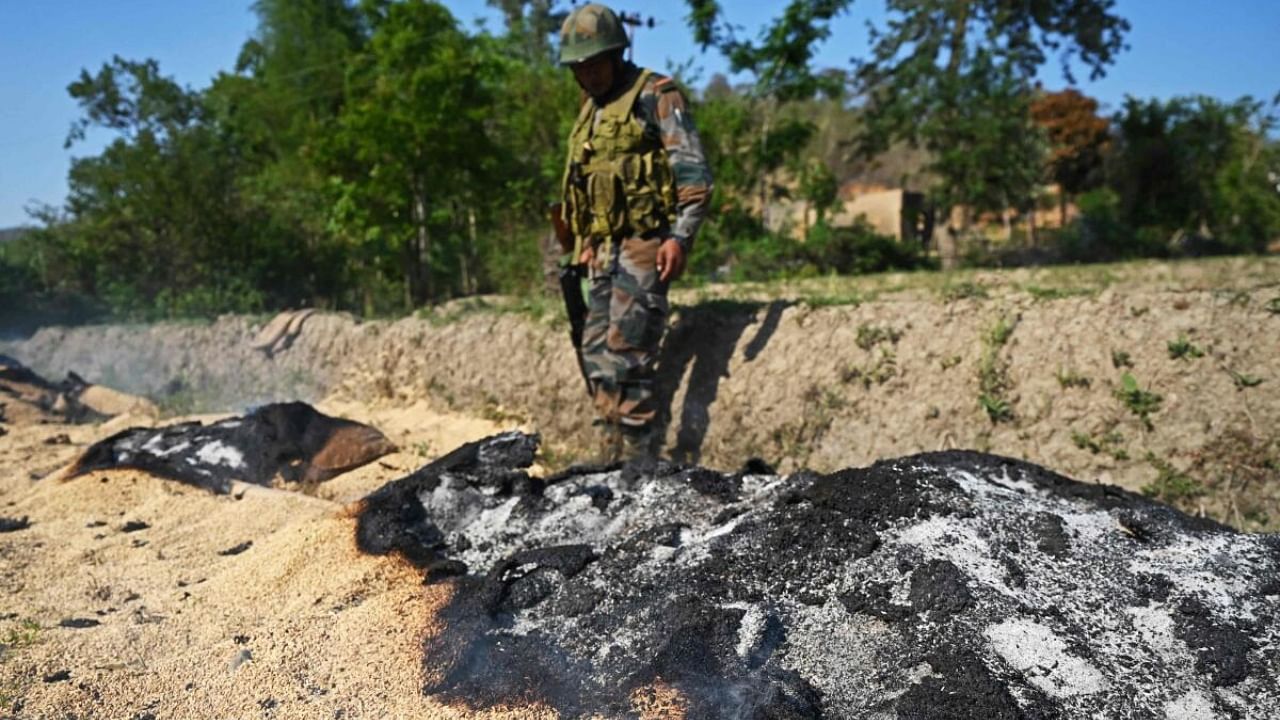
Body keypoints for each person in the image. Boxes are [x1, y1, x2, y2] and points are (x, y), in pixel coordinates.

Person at [558, 2, 713, 462]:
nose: (587, 74)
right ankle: (609, 455)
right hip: (603, 247)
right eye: (579, 67)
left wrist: (680, 237)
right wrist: (585, 243)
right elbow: (586, 180)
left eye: (594, 63)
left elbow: (694, 174)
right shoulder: (592, 109)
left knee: (629, 351)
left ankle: (640, 460)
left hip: (646, 242)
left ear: (615, 54)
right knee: (595, 351)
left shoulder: (656, 94)